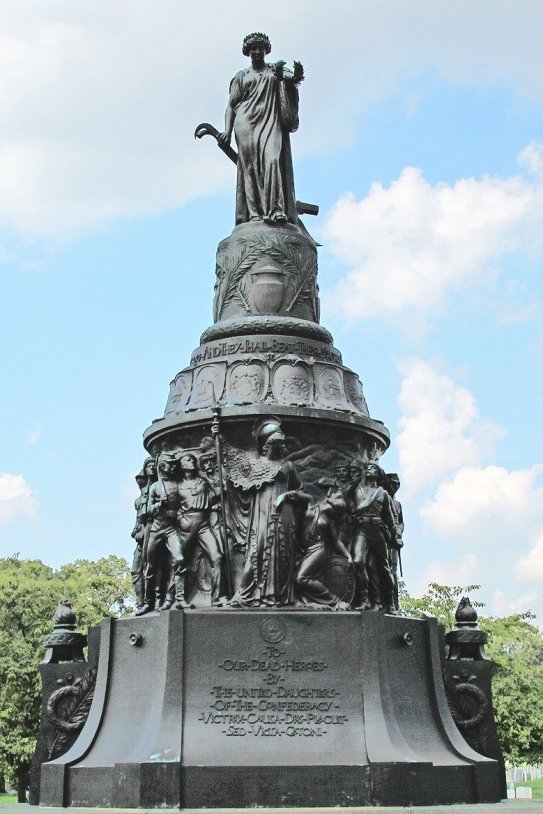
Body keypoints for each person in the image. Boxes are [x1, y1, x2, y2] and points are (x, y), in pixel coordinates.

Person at [218, 32, 304, 225]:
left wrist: (295, 78)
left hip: (270, 122)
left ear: (266, 50)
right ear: (248, 52)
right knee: (249, 168)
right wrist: (227, 131)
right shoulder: (241, 77)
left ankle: (275, 210)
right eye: (253, 49)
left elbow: (292, 81)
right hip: (245, 123)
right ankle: (254, 214)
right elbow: (231, 105)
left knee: (272, 160)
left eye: (261, 48)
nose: (257, 52)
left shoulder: (275, 71)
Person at [230, 418, 302, 606]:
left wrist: (286, 496)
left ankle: (276, 596)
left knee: (281, 553)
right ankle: (247, 594)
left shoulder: (287, 466)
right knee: (257, 549)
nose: (283, 448)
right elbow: (242, 485)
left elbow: (299, 489)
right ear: (269, 445)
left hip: (283, 511)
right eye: (280, 444)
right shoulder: (256, 464)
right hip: (261, 512)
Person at [350, 462, 399, 614]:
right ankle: (365, 599)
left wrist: (395, 536)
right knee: (358, 560)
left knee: (383, 567)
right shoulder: (357, 490)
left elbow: (390, 518)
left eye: (373, 468)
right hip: (361, 529)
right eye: (368, 468)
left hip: (377, 530)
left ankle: (389, 603)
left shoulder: (382, 493)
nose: (369, 469)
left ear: (378, 474)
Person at [176, 453, 224, 606]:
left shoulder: (202, 481)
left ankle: (216, 598)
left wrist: (205, 476)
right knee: (179, 560)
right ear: (181, 465)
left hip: (203, 523)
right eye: (187, 460)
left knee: (217, 557)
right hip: (186, 523)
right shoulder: (177, 485)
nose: (191, 462)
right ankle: (178, 599)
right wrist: (180, 518)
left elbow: (218, 493)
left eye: (192, 459)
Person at [296, 488, 353, 609]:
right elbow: (296, 495)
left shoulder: (329, 521)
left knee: (301, 578)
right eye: (333, 506)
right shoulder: (312, 503)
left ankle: (334, 600)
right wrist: (285, 495)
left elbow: (335, 541)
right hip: (301, 548)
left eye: (336, 510)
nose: (332, 510)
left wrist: (348, 555)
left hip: (318, 549)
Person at [386, 473, 404, 610]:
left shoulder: (397, 505)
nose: (394, 487)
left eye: (396, 484)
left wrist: (398, 533)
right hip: (382, 538)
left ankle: (394, 603)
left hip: (393, 543)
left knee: (393, 571)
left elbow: (401, 523)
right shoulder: (382, 498)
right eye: (392, 483)